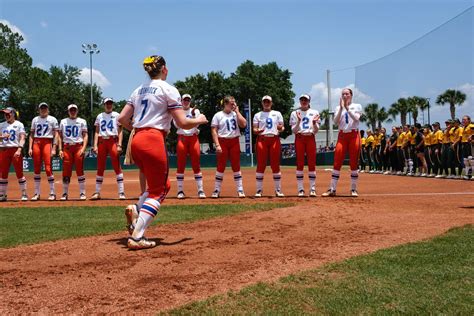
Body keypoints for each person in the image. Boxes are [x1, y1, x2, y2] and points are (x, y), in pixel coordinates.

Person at [118, 55, 207, 250]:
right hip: (153, 139)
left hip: (137, 139)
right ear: (164, 69)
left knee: (158, 185)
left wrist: (136, 128)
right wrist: (200, 119)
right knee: (161, 189)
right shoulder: (168, 89)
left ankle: (137, 210)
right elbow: (183, 123)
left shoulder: (138, 90)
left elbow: (122, 118)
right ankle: (137, 236)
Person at [322, 88, 362, 197]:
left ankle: (353, 189)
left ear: (351, 95)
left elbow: (356, 119)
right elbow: (335, 121)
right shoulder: (338, 107)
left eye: (347, 94)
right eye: (343, 94)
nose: (345, 95)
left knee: (353, 162)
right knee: (337, 161)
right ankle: (332, 189)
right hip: (342, 135)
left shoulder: (357, 106)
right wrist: (341, 108)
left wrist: (348, 108)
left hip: (354, 135)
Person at [210, 95, 247, 198]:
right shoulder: (218, 115)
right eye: (231, 103)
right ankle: (217, 190)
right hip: (222, 141)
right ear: (225, 104)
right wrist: (217, 144)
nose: (234, 105)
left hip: (234, 141)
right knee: (221, 166)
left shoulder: (235, 114)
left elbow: (244, 124)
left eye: (234, 103)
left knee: (236, 166)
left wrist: (238, 112)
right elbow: (214, 130)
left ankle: (240, 189)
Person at [90, 98, 125, 200]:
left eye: (110, 103)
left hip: (112, 140)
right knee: (100, 167)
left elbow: (120, 131)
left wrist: (119, 144)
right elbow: (97, 131)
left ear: (112, 105)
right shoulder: (99, 116)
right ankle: (97, 192)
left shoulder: (117, 115)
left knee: (116, 166)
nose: (109, 105)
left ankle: (121, 192)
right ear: (104, 105)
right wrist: (95, 145)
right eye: (107, 104)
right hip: (102, 141)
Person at [173, 94, 206, 199]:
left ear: (190, 101)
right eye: (184, 100)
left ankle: (200, 190)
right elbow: (178, 125)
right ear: (181, 101)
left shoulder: (196, 111)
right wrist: (193, 120)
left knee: (196, 164)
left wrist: (192, 117)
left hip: (193, 138)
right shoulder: (177, 112)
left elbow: (198, 124)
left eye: (188, 100)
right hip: (182, 138)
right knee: (180, 165)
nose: (186, 102)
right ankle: (180, 191)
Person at [253, 95, 285, 197]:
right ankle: (259, 190)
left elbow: (282, 127)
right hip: (262, 139)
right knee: (261, 165)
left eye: (268, 102)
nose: (266, 103)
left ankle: (278, 190)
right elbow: (254, 129)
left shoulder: (277, 113)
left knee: (275, 165)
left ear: (271, 103)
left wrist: (281, 128)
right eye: (265, 102)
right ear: (262, 103)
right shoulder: (258, 115)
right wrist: (257, 131)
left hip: (274, 139)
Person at [289, 94, 320, 197]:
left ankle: (312, 189)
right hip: (300, 137)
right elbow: (293, 130)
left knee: (312, 163)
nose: (303, 101)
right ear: (299, 101)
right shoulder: (294, 113)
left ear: (309, 101)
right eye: (302, 99)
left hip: (310, 137)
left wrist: (315, 123)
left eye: (305, 100)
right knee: (300, 164)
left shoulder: (314, 112)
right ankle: (300, 189)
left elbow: (316, 131)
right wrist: (298, 121)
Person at [28, 102, 59, 201]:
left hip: (47, 142)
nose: (43, 110)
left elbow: (56, 134)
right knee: (36, 168)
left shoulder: (52, 119)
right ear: (39, 109)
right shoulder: (35, 119)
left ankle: (52, 193)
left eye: (45, 108)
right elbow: (32, 135)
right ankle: (37, 193)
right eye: (42, 108)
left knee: (48, 168)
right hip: (37, 142)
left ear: (48, 109)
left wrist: (54, 147)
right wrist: (30, 147)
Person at [58, 104, 88, 201]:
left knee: (80, 170)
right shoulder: (63, 121)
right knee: (66, 171)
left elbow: (85, 135)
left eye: (74, 110)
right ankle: (65, 193)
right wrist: (60, 149)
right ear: (68, 111)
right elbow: (59, 136)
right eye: (71, 110)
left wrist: (83, 148)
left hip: (78, 146)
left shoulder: (82, 121)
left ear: (77, 111)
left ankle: (82, 193)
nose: (73, 112)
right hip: (67, 147)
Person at [0, 107, 27, 201]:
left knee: (19, 172)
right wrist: (2, 137)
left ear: (13, 114)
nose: (6, 115)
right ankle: (2, 195)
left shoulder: (19, 124)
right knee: (3, 173)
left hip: (15, 149)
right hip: (3, 150)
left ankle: (24, 194)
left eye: (8, 113)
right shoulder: (1, 125)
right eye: (5, 114)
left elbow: (23, 137)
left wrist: (19, 149)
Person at [460, 115, 473, 179]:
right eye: (462, 120)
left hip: (470, 144)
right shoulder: (463, 127)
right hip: (464, 144)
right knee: (466, 161)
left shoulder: (471, 126)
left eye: (465, 120)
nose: (463, 121)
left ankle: (473, 175)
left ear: (469, 120)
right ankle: (468, 175)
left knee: (471, 160)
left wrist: (472, 136)